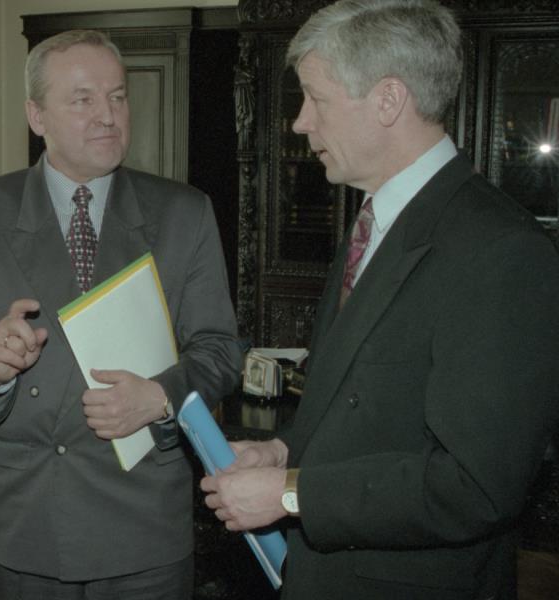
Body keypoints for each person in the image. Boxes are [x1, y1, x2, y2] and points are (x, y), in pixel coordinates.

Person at [200, 1, 559, 598]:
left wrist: (292, 493)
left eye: (316, 98)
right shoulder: (376, 218)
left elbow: (477, 487)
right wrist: (283, 452)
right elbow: (359, 407)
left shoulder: (502, 251)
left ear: (388, 100)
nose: (300, 122)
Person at [0, 29, 242, 599]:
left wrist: (160, 396)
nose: (107, 116)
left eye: (117, 97)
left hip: (144, 521)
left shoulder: (184, 213)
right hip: (30, 521)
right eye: (83, 99)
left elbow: (220, 350)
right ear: (36, 116)